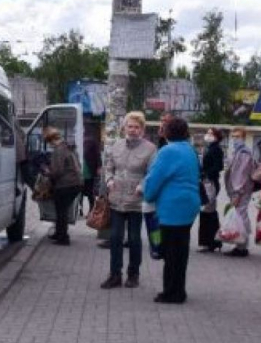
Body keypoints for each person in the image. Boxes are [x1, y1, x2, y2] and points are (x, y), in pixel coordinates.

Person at [144, 117, 200, 304]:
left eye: (163, 128)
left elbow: (155, 178)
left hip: (172, 207)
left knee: (170, 253)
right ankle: (179, 290)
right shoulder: (189, 149)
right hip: (189, 206)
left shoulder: (168, 151)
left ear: (167, 132)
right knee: (180, 251)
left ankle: (171, 293)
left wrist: (147, 194)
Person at [100, 112, 156, 289]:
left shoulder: (150, 149)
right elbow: (108, 167)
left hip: (136, 202)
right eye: (130, 126)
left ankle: (133, 274)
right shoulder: (116, 146)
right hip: (116, 199)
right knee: (115, 237)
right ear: (124, 127)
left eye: (136, 127)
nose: (133, 130)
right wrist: (108, 180)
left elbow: (152, 173)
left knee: (133, 239)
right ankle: (114, 274)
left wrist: (143, 185)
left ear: (142, 129)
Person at [43, 127, 83, 246]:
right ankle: (59, 233)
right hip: (77, 182)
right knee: (62, 209)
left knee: (61, 210)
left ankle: (63, 237)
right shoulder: (68, 147)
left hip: (66, 184)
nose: (49, 145)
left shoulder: (58, 150)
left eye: (48, 142)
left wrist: (47, 171)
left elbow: (57, 171)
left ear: (51, 140)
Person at [224, 127, 255, 257]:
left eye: (237, 136)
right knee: (240, 215)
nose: (235, 139)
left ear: (243, 137)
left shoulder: (244, 153)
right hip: (238, 190)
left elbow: (242, 175)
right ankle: (240, 245)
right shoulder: (237, 151)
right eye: (233, 136)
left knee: (241, 216)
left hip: (241, 190)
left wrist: (238, 193)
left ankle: (242, 247)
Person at [198, 128, 224, 252]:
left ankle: (210, 242)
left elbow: (219, 166)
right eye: (207, 133)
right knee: (209, 211)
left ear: (216, 136)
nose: (207, 135)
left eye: (210, 133)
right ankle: (212, 242)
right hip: (206, 182)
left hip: (211, 183)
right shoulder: (209, 148)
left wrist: (206, 174)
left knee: (207, 211)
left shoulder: (216, 149)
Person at [82, 135, 102, 212]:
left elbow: (98, 154)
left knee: (90, 191)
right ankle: (80, 210)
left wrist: (99, 166)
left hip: (88, 169)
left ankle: (91, 209)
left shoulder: (91, 141)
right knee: (80, 192)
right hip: (79, 170)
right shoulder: (77, 141)